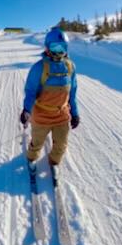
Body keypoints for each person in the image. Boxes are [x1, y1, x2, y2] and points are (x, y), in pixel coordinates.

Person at [20, 28, 80, 167]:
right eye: (55, 47)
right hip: (41, 115)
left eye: (63, 47)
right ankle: (31, 158)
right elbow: (30, 92)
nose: (59, 52)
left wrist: (75, 113)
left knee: (61, 145)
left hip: (62, 114)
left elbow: (72, 92)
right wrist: (26, 110)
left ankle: (54, 162)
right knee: (37, 143)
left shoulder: (70, 67)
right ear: (47, 47)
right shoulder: (39, 68)